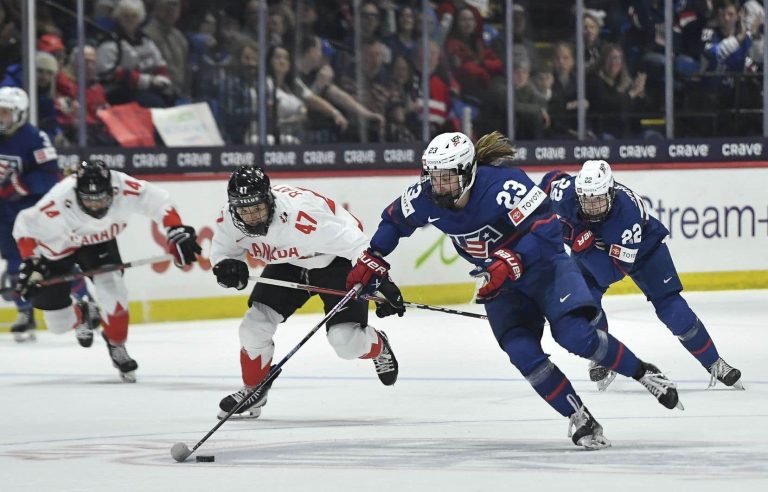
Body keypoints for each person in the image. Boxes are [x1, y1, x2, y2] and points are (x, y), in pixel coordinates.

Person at [347, 131, 682, 450]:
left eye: (446, 176)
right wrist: (373, 255)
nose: (438, 184)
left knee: (576, 337)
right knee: (522, 352)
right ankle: (578, 417)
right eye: (433, 175)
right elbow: (394, 221)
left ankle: (644, 372)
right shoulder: (426, 196)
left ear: (468, 173)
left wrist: (513, 259)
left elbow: (548, 228)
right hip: (502, 282)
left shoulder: (504, 185)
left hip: (547, 269)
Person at [210, 165, 400, 419]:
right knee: (253, 326)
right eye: (244, 210)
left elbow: (358, 244)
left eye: (257, 208)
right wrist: (226, 268)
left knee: (345, 342)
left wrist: (379, 282)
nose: (252, 217)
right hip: (288, 264)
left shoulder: (304, 217)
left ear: (269, 200)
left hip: (335, 261)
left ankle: (379, 345)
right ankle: (254, 389)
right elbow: (223, 254)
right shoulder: (229, 219)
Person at [540, 160, 743, 391]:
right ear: (578, 193)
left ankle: (714, 362)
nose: (592, 207)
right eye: (587, 200)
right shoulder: (566, 192)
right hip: (593, 248)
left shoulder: (626, 214)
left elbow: (611, 273)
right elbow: (551, 179)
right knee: (585, 305)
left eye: (598, 199)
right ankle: (604, 355)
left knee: (671, 307)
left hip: (644, 251)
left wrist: (580, 243)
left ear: (610, 192)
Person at [12, 160, 201, 382]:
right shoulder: (58, 200)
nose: (95, 205)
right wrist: (31, 261)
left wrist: (175, 229)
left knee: (114, 293)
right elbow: (24, 224)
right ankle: (82, 312)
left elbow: (161, 202)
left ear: (111, 191)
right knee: (58, 325)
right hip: (57, 249)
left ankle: (117, 344)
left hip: (98, 245)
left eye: (101, 199)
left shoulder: (124, 186)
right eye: (88, 200)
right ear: (76, 193)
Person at [0, 87, 59, 342]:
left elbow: (49, 174)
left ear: (20, 114)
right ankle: (23, 309)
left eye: (5, 112)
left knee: (34, 261)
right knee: (13, 263)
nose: (0, 118)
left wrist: (21, 186)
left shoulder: (35, 137)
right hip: (3, 212)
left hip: (24, 213)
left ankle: (82, 302)